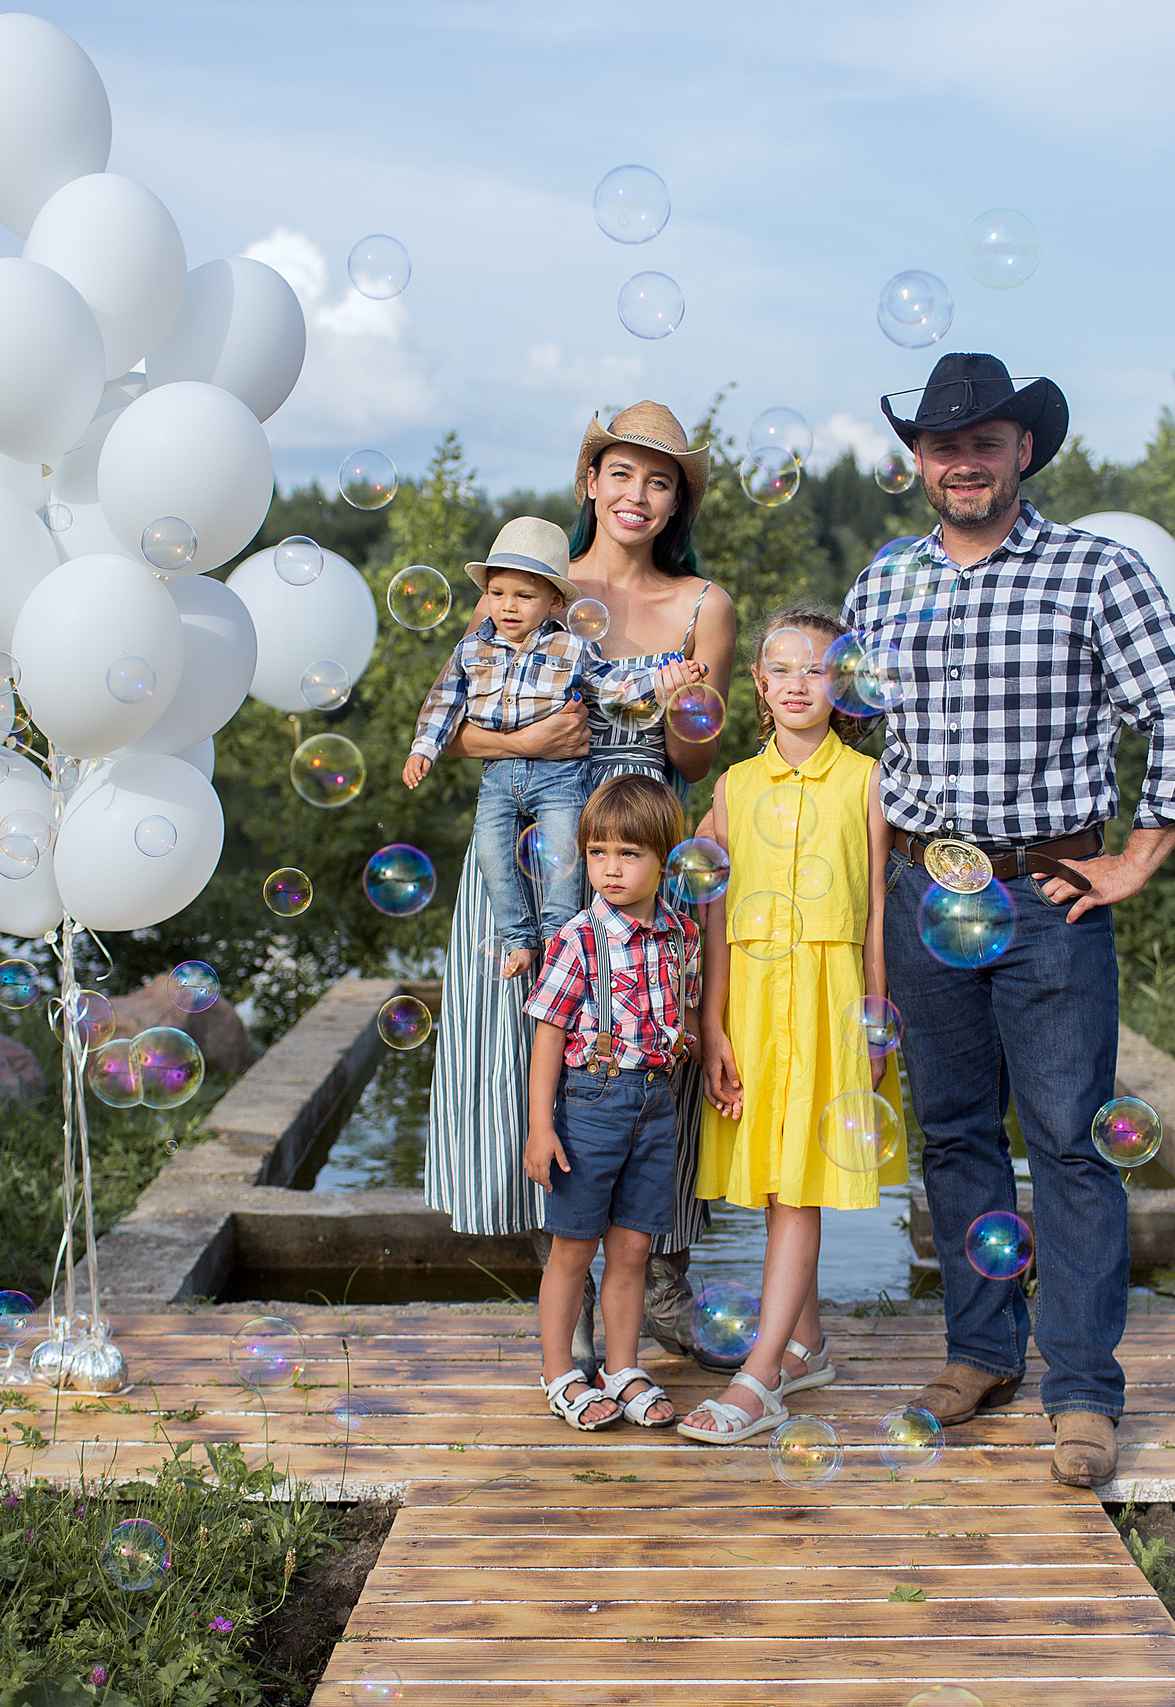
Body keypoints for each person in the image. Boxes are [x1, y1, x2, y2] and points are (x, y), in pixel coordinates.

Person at [841, 352, 1175, 1487]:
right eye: (943, 443)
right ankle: (979, 1354)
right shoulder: (881, 585)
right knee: (954, 1137)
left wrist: (1137, 857)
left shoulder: (1092, 572)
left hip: (1046, 898)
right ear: (919, 460)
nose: (963, 460)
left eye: (986, 440)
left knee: (1065, 1142)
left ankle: (1083, 1392)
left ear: (1023, 451)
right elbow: (865, 748)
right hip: (924, 893)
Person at [423, 402, 738, 1367]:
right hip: (533, 843)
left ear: (676, 498)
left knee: (651, 1050)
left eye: (660, 480)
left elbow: (698, 754)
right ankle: (563, 1270)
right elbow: (454, 726)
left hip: (640, 842)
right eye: (622, 473)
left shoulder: (703, 604)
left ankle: (656, 1282)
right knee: (530, 1038)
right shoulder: (531, 588)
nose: (638, 494)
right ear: (588, 481)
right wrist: (529, 740)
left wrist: (687, 698)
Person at [677, 607, 899, 1444]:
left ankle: (760, 1375)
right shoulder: (732, 786)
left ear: (838, 685)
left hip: (832, 997)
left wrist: (877, 1017)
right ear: (760, 687)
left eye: (817, 666)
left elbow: (878, 904)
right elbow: (716, 911)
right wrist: (713, 1023)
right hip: (753, 1000)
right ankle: (806, 1341)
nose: (800, 680)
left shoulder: (869, 781)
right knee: (777, 1174)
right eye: (781, 666)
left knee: (799, 1182)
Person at [402, 516, 703, 980]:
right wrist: (425, 748)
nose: (508, 606)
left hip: (562, 778)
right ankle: (517, 939)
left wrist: (661, 682)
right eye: (497, 594)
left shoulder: (570, 647)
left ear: (554, 601)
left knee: (565, 855)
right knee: (492, 851)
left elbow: (612, 686)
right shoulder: (472, 650)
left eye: (524, 596)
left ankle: (560, 939)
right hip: (500, 778)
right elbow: (445, 704)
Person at [521, 773, 700, 1431]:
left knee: (632, 1248)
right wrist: (542, 1126)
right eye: (599, 852)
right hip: (591, 1105)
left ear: (663, 859)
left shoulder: (680, 934)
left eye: (629, 854)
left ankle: (622, 1367)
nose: (612, 868)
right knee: (572, 1246)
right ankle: (560, 1369)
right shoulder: (579, 938)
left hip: (655, 1106)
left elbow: (689, 1013)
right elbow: (547, 1030)